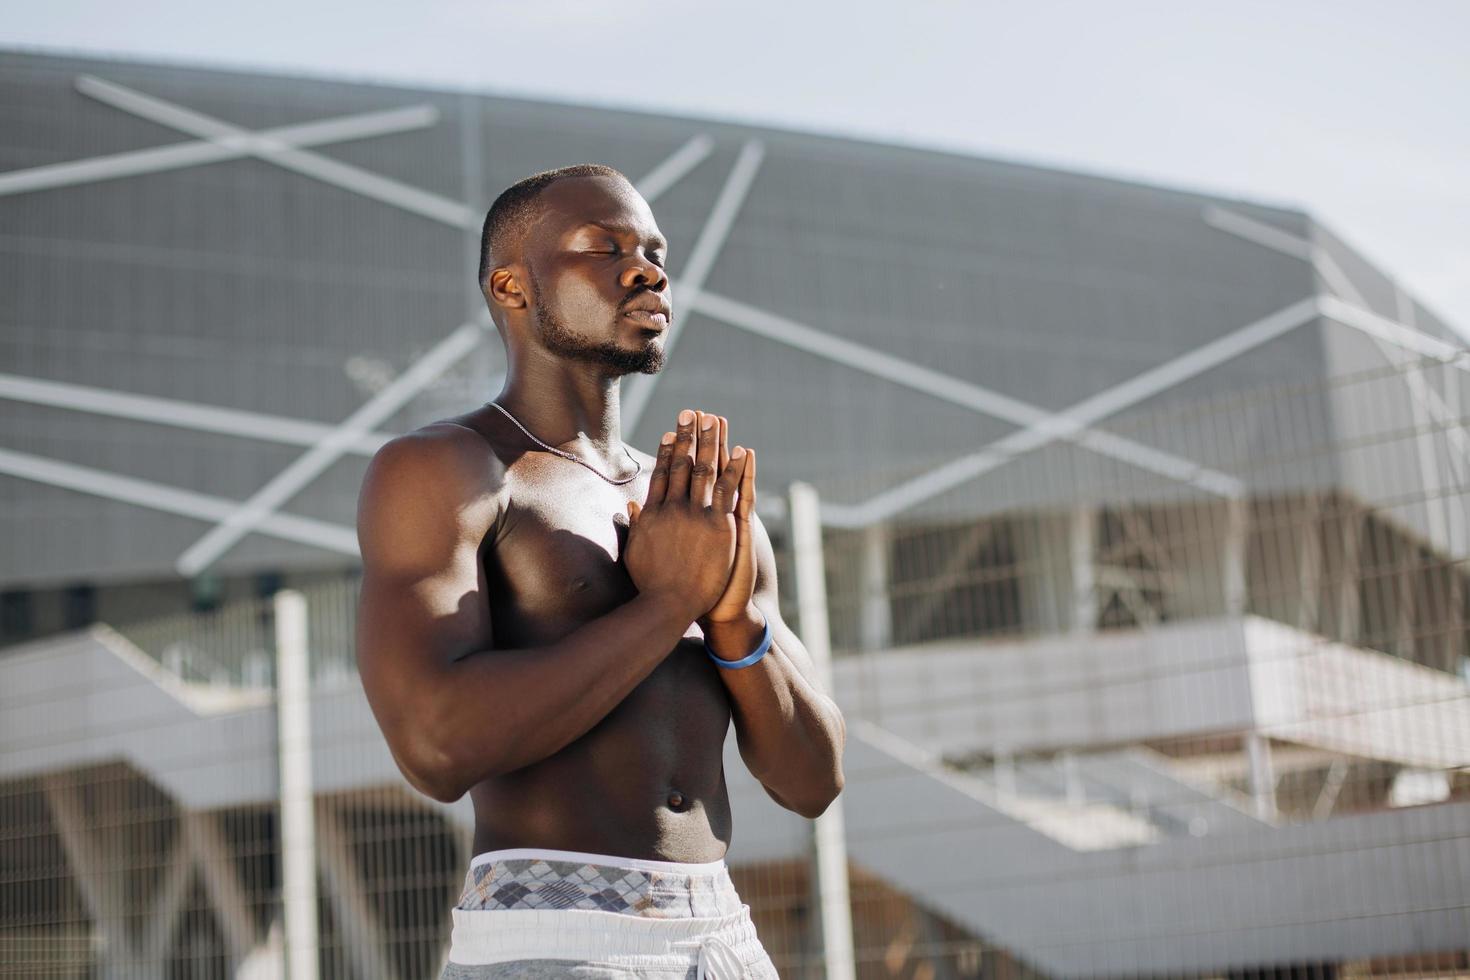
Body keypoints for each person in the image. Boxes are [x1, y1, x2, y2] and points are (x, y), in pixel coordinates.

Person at [355, 163, 847, 978]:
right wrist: (671, 604)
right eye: (604, 246)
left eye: (655, 250)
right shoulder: (447, 469)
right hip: (554, 936)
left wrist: (733, 621)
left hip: (725, 934)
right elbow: (434, 747)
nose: (647, 269)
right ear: (512, 287)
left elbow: (813, 782)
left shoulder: (695, 503)